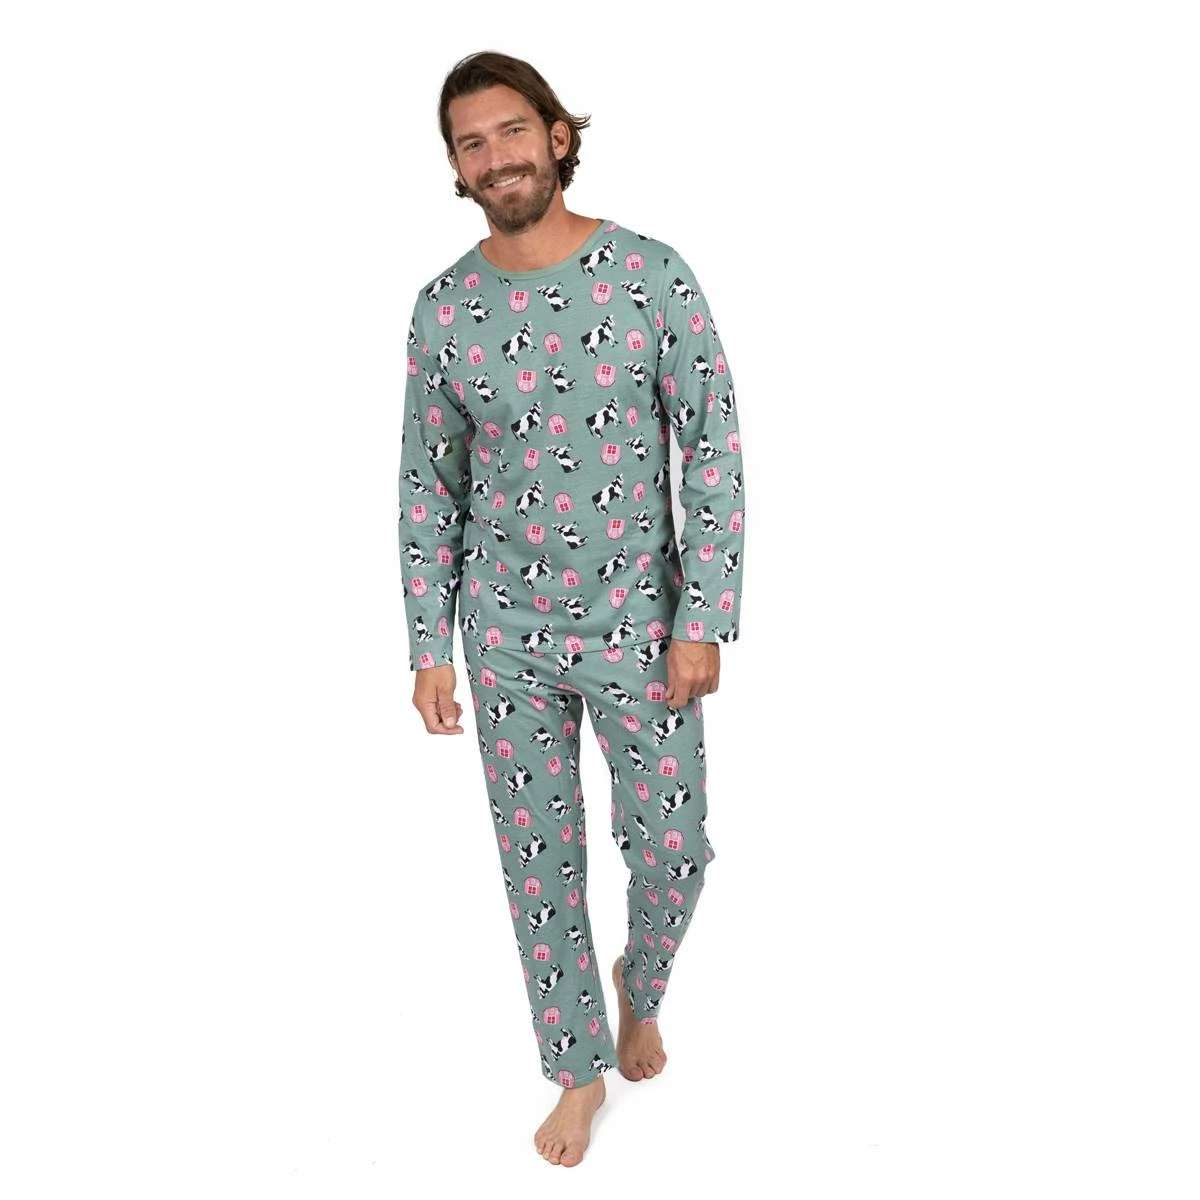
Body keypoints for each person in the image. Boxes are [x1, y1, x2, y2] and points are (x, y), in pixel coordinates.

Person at [397, 50, 746, 1168]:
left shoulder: (649, 276)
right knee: (538, 867)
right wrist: (429, 644)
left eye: (512, 130)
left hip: (642, 624)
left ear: (557, 135)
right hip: (504, 635)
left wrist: (704, 616)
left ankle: (642, 984)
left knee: (676, 849)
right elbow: (429, 485)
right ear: (457, 167)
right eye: (471, 143)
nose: (495, 156)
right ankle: (577, 1068)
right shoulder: (445, 311)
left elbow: (712, 446)